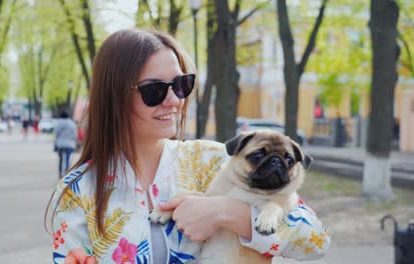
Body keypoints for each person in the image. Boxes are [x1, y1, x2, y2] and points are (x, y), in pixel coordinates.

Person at [46, 29, 329, 264]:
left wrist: (224, 212)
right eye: (154, 90)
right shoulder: (78, 191)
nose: (174, 100)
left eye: (181, 84)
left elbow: (315, 240)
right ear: (115, 96)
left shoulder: (216, 162)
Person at [54, 110, 77, 178]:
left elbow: (56, 134)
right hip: (69, 144)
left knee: (61, 159)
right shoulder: (72, 123)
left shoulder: (58, 123)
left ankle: (60, 173)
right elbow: (75, 135)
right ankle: (67, 174)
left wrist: (55, 143)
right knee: (67, 159)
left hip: (60, 144)